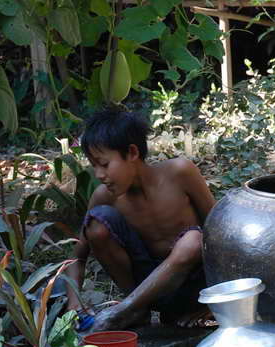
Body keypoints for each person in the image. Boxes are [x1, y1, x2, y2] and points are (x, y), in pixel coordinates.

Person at [64, 106, 216, 332]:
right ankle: (136, 310)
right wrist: (73, 305)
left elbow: (221, 232)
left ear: (133, 153)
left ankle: (124, 310)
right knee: (96, 225)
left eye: (104, 164)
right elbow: (76, 258)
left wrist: (217, 303)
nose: (99, 175)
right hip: (148, 291)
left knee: (195, 239)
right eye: (94, 166)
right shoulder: (104, 197)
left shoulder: (180, 172)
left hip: (198, 288)